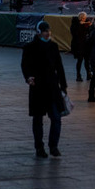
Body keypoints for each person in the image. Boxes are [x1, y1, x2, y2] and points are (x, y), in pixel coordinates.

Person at [20, 21, 68, 158]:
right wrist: (28, 77)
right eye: (45, 31)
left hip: (52, 88)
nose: (48, 33)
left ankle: (53, 146)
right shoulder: (30, 47)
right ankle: (39, 147)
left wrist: (63, 85)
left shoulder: (53, 46)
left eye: (48, 30)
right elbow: (25, 65)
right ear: (39, 32)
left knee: (56, 118)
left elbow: (59, 66)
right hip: (38, 87)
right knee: (38, 119)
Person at [70, 12, 91, 82]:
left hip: (84, 45)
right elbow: (75, 34)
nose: (85, 19)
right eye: (84, 18)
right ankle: (78, 75)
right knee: (80, 60)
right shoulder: (75, 25)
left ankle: (88, 74)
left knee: (86, 60)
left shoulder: (83, 25)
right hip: (79, 45)